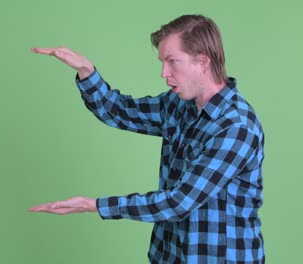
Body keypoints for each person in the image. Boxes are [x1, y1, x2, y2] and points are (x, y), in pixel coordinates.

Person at [29, 14, 265, 264]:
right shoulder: (178, 105)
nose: (164, 72)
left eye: (172, 61)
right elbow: (120, 111)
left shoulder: (235, 127)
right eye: (163, 62)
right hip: (169, 255)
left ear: (203, 61)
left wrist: (95, 205)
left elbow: (179, 202)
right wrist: (86, 71)